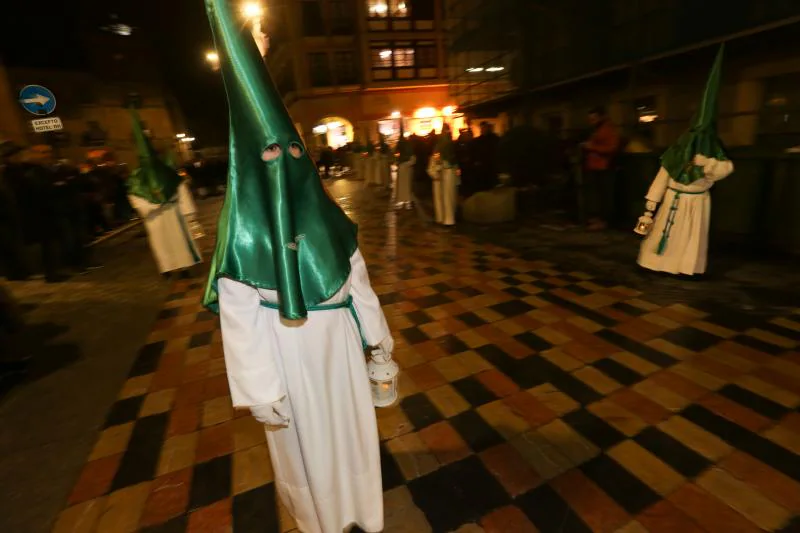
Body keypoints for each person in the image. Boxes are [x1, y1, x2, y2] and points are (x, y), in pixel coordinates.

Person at [202, 1, 394, 532]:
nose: (280, 162)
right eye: (266, 155)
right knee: (305, 447)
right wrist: (261, 389)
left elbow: (360, 287)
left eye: (290, 150)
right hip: (288, 357)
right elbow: (239, 321)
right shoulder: (240, 233)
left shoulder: (330, 220)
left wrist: (378, 348)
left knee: (350, 436)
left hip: (340, 352)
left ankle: (360, 514)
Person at [637, 45, 732, 276]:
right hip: (672, 198)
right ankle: (655, 264)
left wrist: (706, 164)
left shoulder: (713, 155)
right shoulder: (678, 152)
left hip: (696, 202)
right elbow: (663, 175)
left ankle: (684, 266)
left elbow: (723, 169)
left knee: (690, 237)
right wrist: (650, 207)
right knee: (662, 233)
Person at [127, 108, 202, 279]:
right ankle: (167, 268)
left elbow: (181, 189)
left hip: (173, 213)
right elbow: (135, 196)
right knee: (162, 244)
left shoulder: (168, 174)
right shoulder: (137, 179)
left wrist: (188, 213)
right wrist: (152, 204)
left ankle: (184, 267)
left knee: (179, 241)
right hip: (156, 217)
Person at [581, 105, 620, 230]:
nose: (591, 122)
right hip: (594, 166)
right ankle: (597, 219)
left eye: (593, 119)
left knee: (604, 195)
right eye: (590, 119)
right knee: (595, 194)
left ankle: (604, 221)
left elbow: (612, 148)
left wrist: (591, 147)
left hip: (604, 167)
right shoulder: (597, 129)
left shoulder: (608, 129)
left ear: (601, 117)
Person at [428, 124, 459, 226]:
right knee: (445, 197)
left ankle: (447, 219)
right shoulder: (443, 146)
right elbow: (437, 160)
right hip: (446, 173)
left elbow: (451, 160)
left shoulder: (449, 145)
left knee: (447, 197)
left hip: (447, 173)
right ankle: (446, 219)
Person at [394, 125, 415, 209]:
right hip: (403, 166)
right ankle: (403, 200)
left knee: (406, 184)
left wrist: (405, 162)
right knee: (402, 184)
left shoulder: (406, 145)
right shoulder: (403, 144)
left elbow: (412, 157)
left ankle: (407, 201)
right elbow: (397, 154)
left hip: (406, 166)